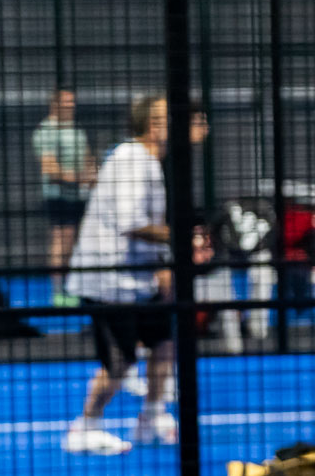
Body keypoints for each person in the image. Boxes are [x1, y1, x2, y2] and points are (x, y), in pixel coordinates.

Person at [63, 93, 207, 455]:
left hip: (136, 277)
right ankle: (85, 427)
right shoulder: (132, 160)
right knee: (119, 362)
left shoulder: (149, 162)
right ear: (153, 126)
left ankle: (152, 417)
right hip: (108, 280)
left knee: (163, 342)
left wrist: (163, 264)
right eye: (169, 118)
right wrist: (183, 238)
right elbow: (132, 223)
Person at [31, 88, 98, 307]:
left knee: (76, 242)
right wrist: (78, 178)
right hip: (58, 195)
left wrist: (92, 174)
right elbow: (50, 168)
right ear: (55, 104)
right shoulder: (46, 131)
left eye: (72, 102)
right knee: (62, 240)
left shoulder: (76, 129)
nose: (71, 106)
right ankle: (59, 290)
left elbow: (87, 158)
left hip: (80, 195)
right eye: (66, 102)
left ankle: (76, 287)